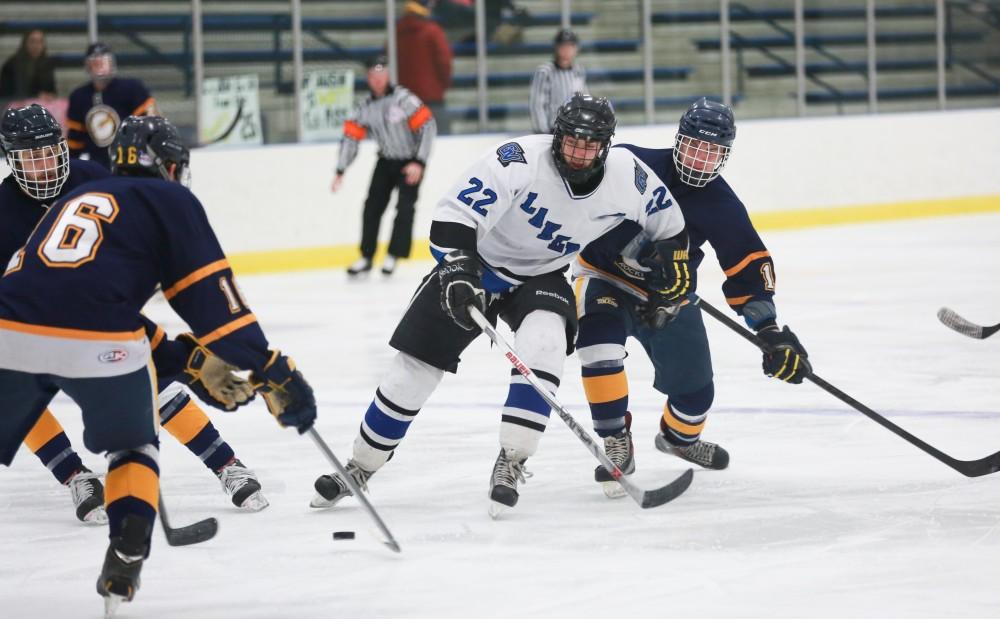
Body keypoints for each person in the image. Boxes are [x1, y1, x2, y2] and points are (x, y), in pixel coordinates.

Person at [311, 94, 690, 518]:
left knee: (545, 342)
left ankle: (512, 460)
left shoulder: (629, 178)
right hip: (478, 266)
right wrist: (457, 271)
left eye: (590, 144)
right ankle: (360, 465)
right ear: (557, 135)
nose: (579, 152)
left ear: (606, 145)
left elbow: (670, 226)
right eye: (571, 141)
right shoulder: (518, 159)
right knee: (412, 370)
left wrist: (675, 265)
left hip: (542, 275)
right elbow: (454, 215)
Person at [0, 113, 317, 615]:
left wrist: (181, 359)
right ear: (170, 166)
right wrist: (267, 366)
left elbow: (69, 296)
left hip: (13, 329)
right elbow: (209, 304)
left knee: (142, 379)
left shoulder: (86, 186)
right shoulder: (166, 198)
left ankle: (224, 464)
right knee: (134, 439)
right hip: (93, 329)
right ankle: (122, 534)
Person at [0, 104, 270, 522]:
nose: (44, 167)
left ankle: (226, 464)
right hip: (35, 324)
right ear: (12, 161)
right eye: (31, 159)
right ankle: (74, 476)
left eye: (50, 153)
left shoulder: (92, 178)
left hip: (100, 313)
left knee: (152, 380)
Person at [572, 98, 811, 497]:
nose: (700, 159)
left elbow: (747, 267)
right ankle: (616, 441)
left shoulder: (723, 205)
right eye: (694, 146)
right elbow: (581, 206)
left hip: (668, 294)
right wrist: (628, 242)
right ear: (678, 140)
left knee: (697, 391)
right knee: (598, 347)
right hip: (603, 275)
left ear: (725, 155)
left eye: (712, 151)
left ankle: (677, 439)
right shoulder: (630, 162)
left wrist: (769, 330)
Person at [334, 54, 436, 277]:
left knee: (404, 208)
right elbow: (351, 137)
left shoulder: (404, 99)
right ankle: (366, 256)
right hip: (386, 160)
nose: (377, 79)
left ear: (388, 75)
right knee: (372, 207)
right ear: (368, 78)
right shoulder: (365, 107)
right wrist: (340, 169)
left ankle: (393, 255)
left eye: (381, 74)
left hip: (410, 161)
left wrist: (419, 161)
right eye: (373, 75)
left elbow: (428, 126)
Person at [66, 42, 158, 169]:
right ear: (88, 66)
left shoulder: (133, 89)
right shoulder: (79, 97)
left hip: (134, 163)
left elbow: (151, 128)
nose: (100, 69)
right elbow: (75, 143)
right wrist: (68, 168)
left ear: (112, 63)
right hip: (99, 166)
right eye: (95, 64)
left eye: (103, 63)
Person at [397, 0, 453, 135]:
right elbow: (444, 63)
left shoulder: (396, 33)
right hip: (432, 99)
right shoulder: (433, 32)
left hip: (406, 100)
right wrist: (443, 85)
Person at [529, 29, 587, 134]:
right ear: (556, 48)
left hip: (573, 132)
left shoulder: (578, 70)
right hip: (551, 131)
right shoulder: (545, 71)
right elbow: (537, 105)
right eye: (563, 46)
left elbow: (584, 100)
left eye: (570, 46)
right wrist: (543, 133)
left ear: (576, 49)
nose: (566, 50)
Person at [0, 29, 57, 100]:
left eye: (40, 42)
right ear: (25, 43)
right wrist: (36, 96)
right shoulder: (11, 65)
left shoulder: (47, 64)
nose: (36, 46)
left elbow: (52, 91)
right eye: (33, 41)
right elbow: (7, 94)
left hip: (42, 106)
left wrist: (49, 96)